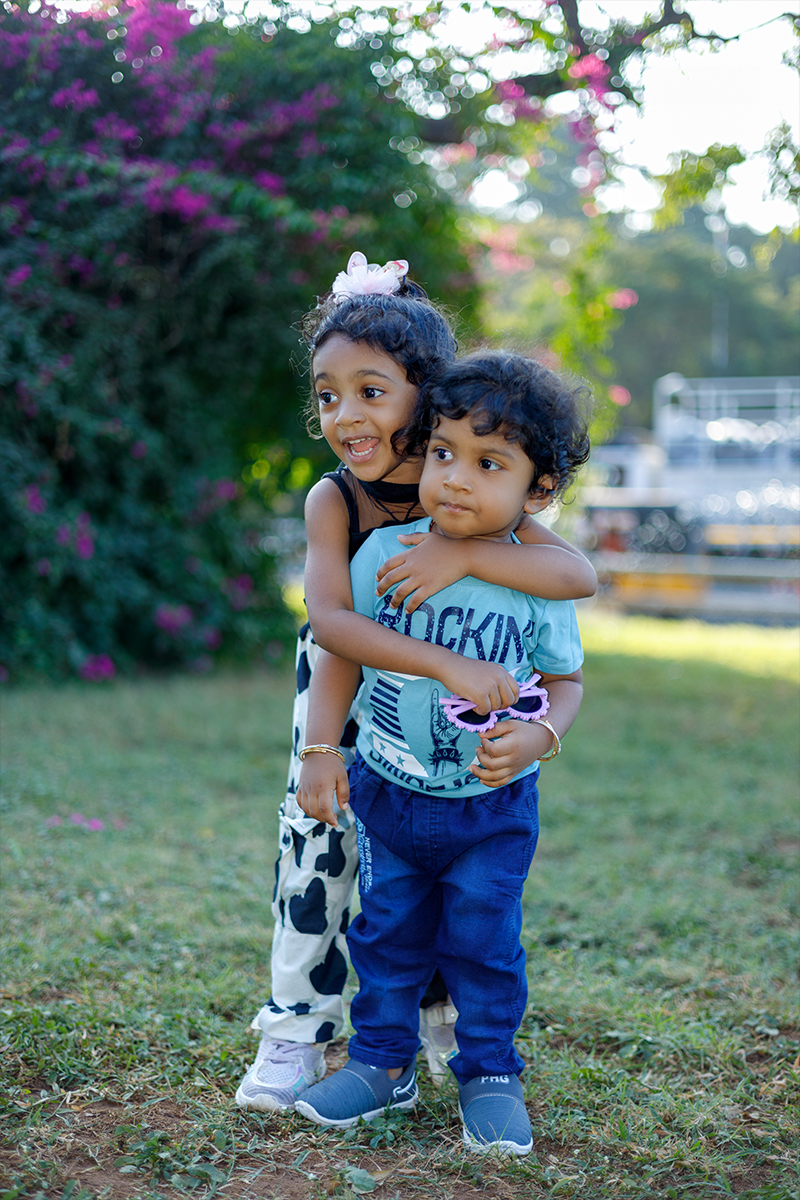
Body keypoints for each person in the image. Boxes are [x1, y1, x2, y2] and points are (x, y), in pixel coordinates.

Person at [235, 255, 596, 1113]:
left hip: (443, 714)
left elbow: (576, 575)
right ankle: (297, 1028)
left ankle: (433, 1025)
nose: (345, 415)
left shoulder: (475, 483)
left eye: (370, 390)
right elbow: (333, 629)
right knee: (320, 854)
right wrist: (324, 748)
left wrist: (462, 553)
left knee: (423, 867)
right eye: (327, 395)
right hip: (339, 684)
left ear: (425, 392)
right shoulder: (340, 501)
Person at [293, 351, 589, 1156]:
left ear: (537, 491)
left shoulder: (538, 580)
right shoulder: (385, 555)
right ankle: (383, 1064)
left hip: (493, 807)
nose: (455, 478)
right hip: (390, 793)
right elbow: (341, 654)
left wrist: (542, 733)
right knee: (385, 936)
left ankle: (490, 1072)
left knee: (483, 942)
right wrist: (322, 748)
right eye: (445, 453)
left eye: (488, 463)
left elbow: (566, 680)